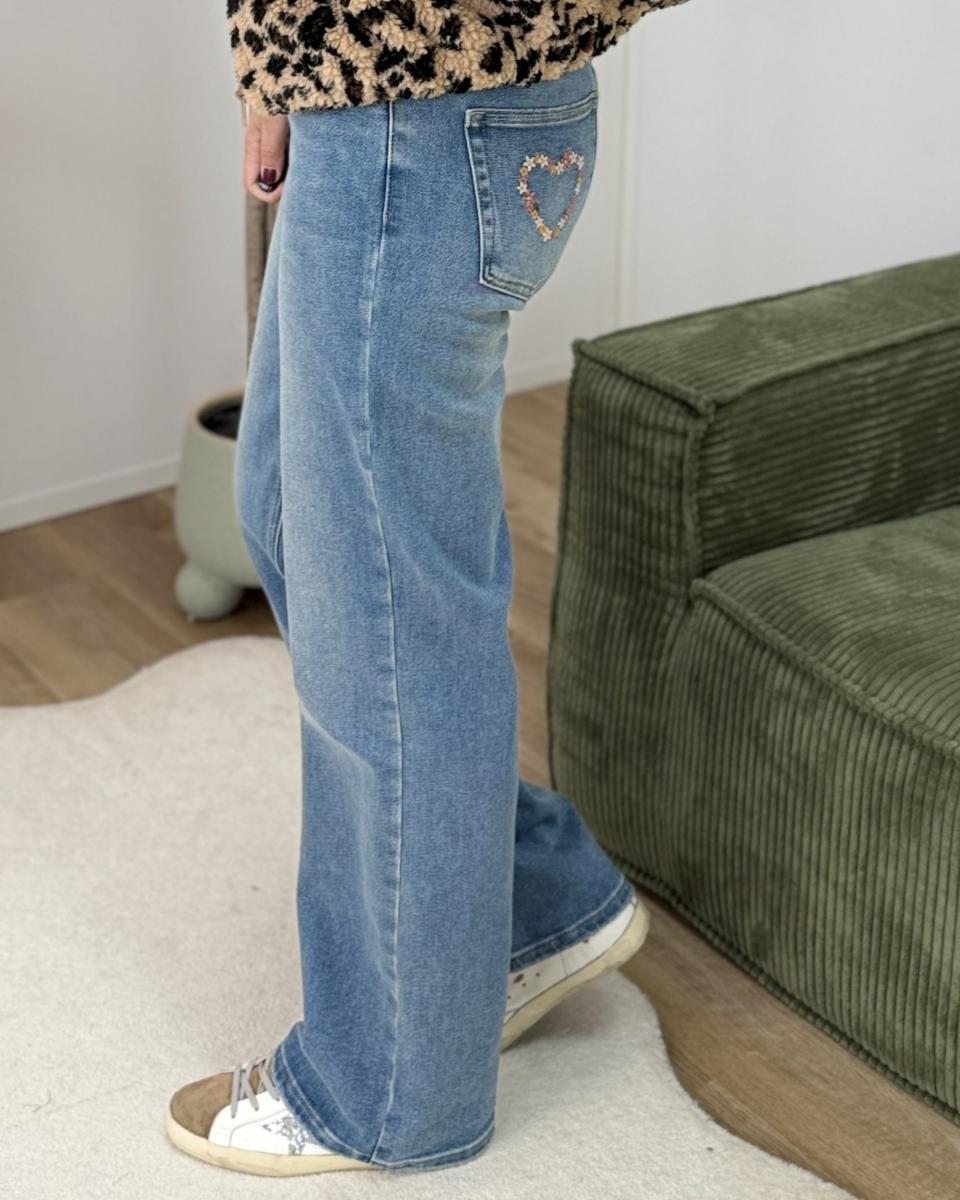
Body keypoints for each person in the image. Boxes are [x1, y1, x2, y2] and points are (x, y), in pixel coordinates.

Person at [165, 0, 688, 1177]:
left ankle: (395, 1091)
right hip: (401, 95)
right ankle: (529, 896)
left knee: (389, 610)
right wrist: (276, 70)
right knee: (294, 509)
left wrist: (295, 63)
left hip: (413, 104)